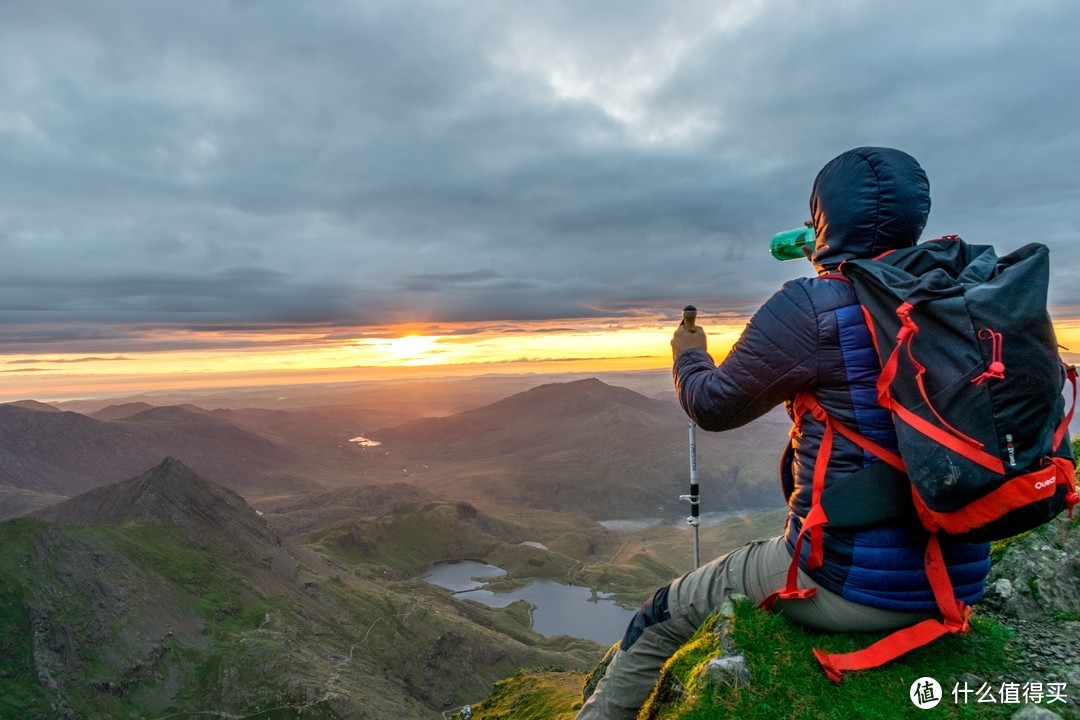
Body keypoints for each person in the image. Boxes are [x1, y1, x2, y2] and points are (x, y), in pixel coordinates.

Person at [575, 147, 991, 720]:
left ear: (824, 219)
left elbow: (713, 406)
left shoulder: (812, 305)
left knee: (661, 612)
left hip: (850, 585)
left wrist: (689, 356)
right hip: (964, 575)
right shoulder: (965, 298)